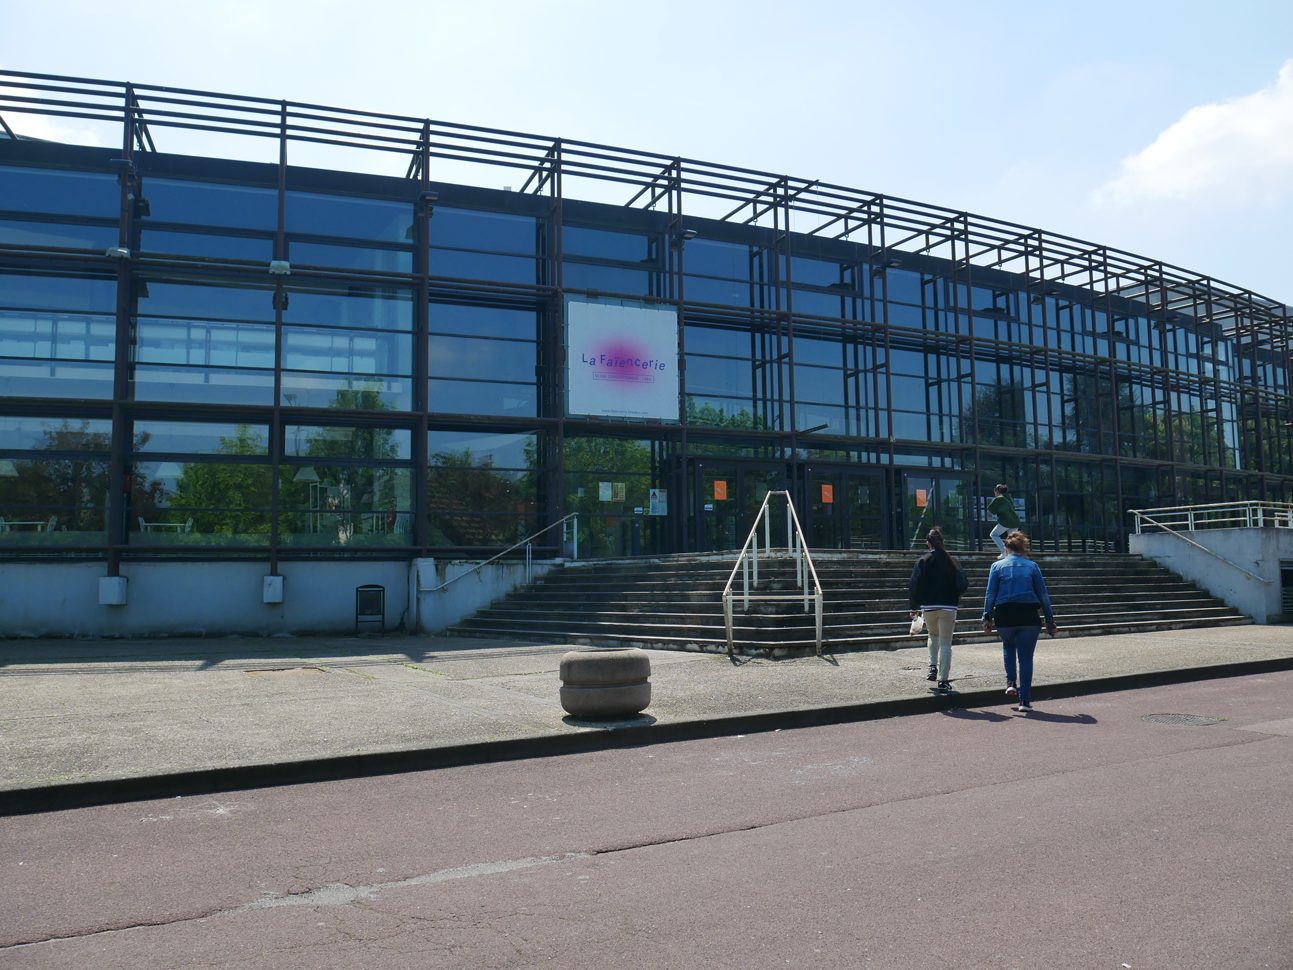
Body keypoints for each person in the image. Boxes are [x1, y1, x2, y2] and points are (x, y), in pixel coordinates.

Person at [981, 531, 1058, 714]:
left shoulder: (996, 566)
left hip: (1005, 615)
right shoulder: (1032, 566)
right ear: (1022, 548)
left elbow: (990, 594)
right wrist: (1049, 620)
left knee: (1008, 646)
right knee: (1026, 658)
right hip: (1028, 615)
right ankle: (1024, 700)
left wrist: (987, 617)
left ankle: (1011, 683)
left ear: (1006, 548)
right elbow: (1043, 595)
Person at [908, 527, 969, 694]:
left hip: (928, 606)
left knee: (933, 635)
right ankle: (943, 680)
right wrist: (956, 596)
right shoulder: (952, 561)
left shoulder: (922, 561)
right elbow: (963, 584)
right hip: (948, 605)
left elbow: (914, 584)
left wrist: (914, 607)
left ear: (928, 544)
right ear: (943, 542)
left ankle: (932, 667)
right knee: (946, 642)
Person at [986, 483, 1021, 554]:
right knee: (1012, 540)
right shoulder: (1009, 497)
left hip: (1006, 521)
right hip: (1015, 521)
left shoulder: (1000, 498)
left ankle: (1004, 551)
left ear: (997, 491)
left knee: (994, 534)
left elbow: (991, 509)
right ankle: (1013, 554)